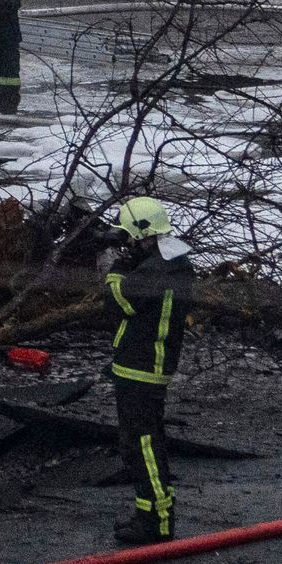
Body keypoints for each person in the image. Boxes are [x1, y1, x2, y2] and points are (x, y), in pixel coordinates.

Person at [103, 195, 194, 544]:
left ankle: (156, 520)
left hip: (140, 368)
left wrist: (114, 268)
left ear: (142, 233)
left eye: (129, 236)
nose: (128, 243)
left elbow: (118, 301)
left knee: (141, 445)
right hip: (149, 365)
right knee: (145, 442)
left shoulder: (155, 271)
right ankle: (152, 513)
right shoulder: (174, 263)